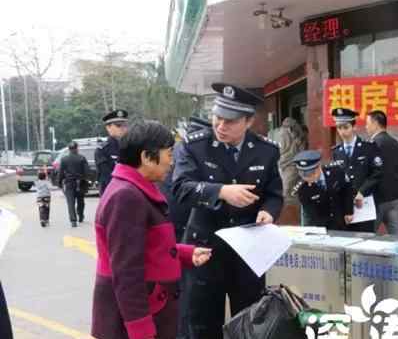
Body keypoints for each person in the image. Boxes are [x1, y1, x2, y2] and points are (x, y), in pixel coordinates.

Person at [172, 82, 283, 339]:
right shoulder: (195, 146)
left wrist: (268, 212)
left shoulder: (266, 151)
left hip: (248, 250)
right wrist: (220, 191)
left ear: (248, 121)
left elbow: (274, 194)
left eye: (230, 121)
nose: (220, 126)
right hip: (205, 247)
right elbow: (181, 188)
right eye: (217, 118)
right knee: (201, 319)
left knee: (249, 318)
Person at [91, 121, 212, 339]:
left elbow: (142, 245)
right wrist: (140, 328)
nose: (171, 162)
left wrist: (183, 253)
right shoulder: (126, 196)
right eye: (168, 154)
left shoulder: (133, 188)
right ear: (147, 157)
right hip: (139, 318)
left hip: (152, 307)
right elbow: (126, 270)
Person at [331, 107, 383, 232]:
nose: (342, 131)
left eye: (345, 127)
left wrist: (362, 191)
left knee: (365, 239)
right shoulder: (337, 152)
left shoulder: (368, 147)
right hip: (345, 207)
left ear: (354, 127)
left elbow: (378, 173)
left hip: (364, 203)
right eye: (339, 128)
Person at [365, 110, 398, 235]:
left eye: (367, 123)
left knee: (368, 235)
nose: (366, 127)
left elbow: (369, 173)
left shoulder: (372, 145)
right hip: (395, 198)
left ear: (375, 123)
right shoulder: (397, 144)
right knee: (396, 235)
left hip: (377, 200)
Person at [292, 150, 354, 231]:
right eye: (304, 176)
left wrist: (349, 211)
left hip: (344, 220)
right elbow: (311, 215)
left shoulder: (335, 171)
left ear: (318, 166)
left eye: (311, 174)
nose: (308, 178)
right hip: (323, 227)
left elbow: (347, 190)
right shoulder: (302, 188)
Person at [95, 109, 129, 196]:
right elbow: (107, 176)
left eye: (125, 125)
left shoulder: (131, 147)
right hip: (111, 193)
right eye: (118, 125)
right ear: (108, 127)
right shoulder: (102, 150)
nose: (122, 128)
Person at [58, 141, 89, 227]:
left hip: (69, 183)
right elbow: (87, 171)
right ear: (77, 148)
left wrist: (59, 182)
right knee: (80, 201)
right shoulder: (82, 158)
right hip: (80, 182)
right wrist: (86, 180)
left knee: (70, 202)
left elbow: (61, 172)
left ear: (69, 149)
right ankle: (81, 215)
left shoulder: (64, 159)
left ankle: (73, 221)